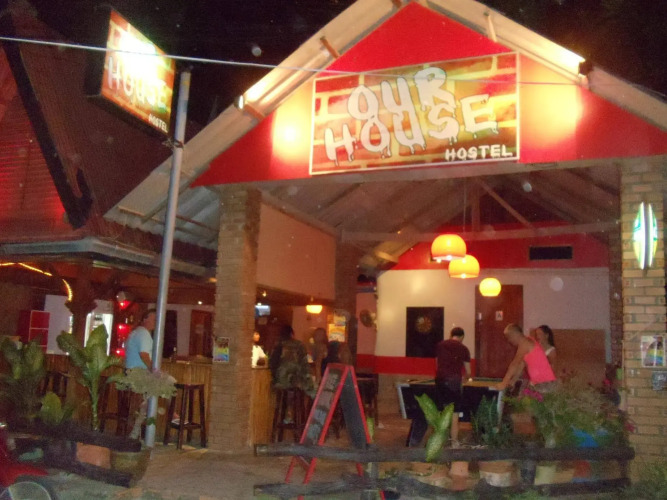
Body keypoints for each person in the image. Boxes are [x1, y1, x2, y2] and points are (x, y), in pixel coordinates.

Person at [497, 323, 557, 393]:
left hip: (544, 383)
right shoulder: (528, 341)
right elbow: (521, 365)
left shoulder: (525, 343)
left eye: (509, 337)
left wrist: (504, 383)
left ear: (514, 335)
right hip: (541, 382)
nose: (509, 340)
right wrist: (513, 381)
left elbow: (514, 364)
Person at [269, 325, 314, 396]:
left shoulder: (278, 345)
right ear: (291, 334)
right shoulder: (299, 345)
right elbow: (304, 363)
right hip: (295, 381)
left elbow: (272, 363)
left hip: (279, 381)